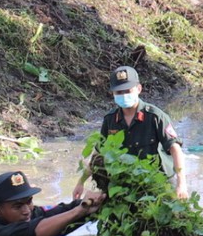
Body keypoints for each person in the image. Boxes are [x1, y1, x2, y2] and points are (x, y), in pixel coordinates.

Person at [73, 66, 189, 201]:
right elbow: (98, 154)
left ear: (139, 89)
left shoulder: (155, 117)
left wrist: (182, 184)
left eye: (127, 91)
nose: (123, 95)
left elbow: (175, 149)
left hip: (158, 181)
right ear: (113, 94)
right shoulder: (110, 120)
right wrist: (80, 182)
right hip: (127, 182)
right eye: (118, 92)